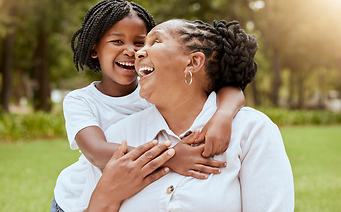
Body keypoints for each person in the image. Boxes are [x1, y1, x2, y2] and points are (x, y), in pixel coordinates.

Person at [51, 0, 245, 212]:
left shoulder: (153, 90)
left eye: (139, 42)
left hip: (127, 193)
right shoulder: (81, 100)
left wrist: (223, 115)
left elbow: (231, 88)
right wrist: (171, 157)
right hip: (76, 200)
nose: (132, 51)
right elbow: (96, 152)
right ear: (94, 48)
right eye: (117, 42)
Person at [85, 19, 295, 211]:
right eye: (144, 44)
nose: (138, 53)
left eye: (156, 41)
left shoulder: (251, 131)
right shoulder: (118, 135)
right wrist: (106, 195)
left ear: (193, 62)